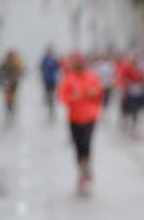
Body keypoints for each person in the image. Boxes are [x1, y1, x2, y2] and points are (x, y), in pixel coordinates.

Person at [57, 54, 104, 196]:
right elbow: (62, 97)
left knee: (86, 143)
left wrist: (94, 93)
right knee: (78, 146)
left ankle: (87, 168)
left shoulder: (92, 76)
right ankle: (81, 171)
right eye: (77, 66)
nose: (80, 68)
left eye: (82, 65)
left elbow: (100, 93)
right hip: (74, 118)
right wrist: (73, 97)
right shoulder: (69, 78)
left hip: (90, 117)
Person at [116, 54, 144, 136]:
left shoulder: (140, 70)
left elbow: (143, 79)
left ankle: (134, 125)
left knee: (136, 110)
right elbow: (122, 78)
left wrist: (143, 84)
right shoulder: (127, 68)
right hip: (128, 92)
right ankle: (125, 121)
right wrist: (126, 85)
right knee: (125, 107)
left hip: (137, 93)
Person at [0, 50, 23, 120]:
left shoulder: (15, 63)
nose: (10, 57)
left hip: (13, 83)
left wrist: (13, 77)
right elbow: (0, 71)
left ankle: (11, 107)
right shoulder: (5, 63)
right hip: (7, 83)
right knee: (8, 96)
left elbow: (19, 72)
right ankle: (9, 107)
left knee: (12, 96)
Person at [40, 47, 60, 119]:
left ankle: (51, 103)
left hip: (53, 79)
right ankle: (49, 101)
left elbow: (58, 67)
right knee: (48, 92)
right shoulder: (45, 59)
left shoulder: (54, 59)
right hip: (47, 79)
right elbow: (41, 67)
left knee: (52, 92)